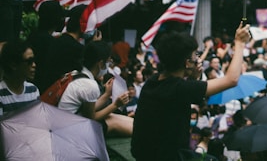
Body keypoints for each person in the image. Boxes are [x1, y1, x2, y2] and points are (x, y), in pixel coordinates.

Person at [131, 23, 251, 161]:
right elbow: (232, 79)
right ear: (187, 62)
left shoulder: (153, 81)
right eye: (196, 54)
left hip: (144, 154)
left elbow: (181, 93)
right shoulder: (181, 88)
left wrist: (192, 78)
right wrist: (240, 43)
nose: (198, 59)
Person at [58, 40, 133, 136]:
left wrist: (106, 94)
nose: (108, 65)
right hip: (71, 132)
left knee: (111, 115)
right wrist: (115, 105)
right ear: (101, 64)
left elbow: (90, 109)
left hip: (65, 125)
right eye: (108, 62)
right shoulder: (90, 85)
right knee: (113, 122)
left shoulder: (76, 74)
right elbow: (91, 118)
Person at [0, 40, 40, 116]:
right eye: (29, 61)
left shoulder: (32, 90)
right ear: (13, 65)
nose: (34, 65)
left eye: (34, 60)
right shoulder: (1, 94)